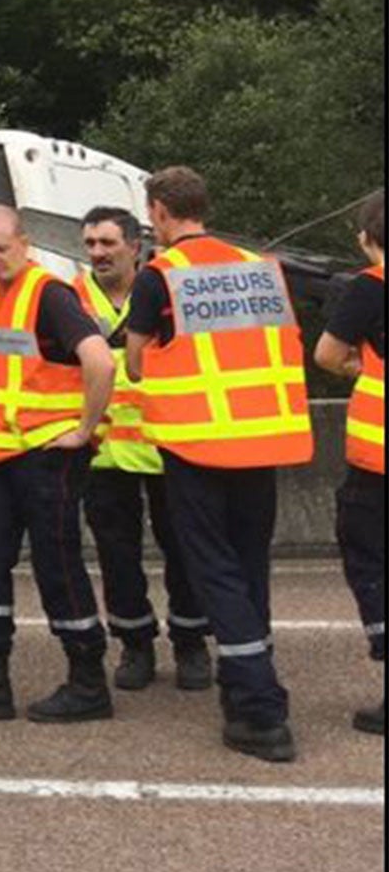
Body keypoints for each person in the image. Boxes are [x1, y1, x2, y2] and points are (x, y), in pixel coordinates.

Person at [126, 166, 313, 764]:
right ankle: (244, 690)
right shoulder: (261, 269)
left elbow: (133, 364)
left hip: (198, 447)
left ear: (158, 211)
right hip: (262, 443)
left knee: (216, 575)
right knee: (248, 568)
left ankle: (260, 708)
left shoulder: (160, 276)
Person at [0, 205, 117, 725]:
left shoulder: (48, 294)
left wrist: (83, 430)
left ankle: (88, 682)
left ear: (24, 244)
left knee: (57, 566)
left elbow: (101, 361)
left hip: (45, 456)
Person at [74, 206, 213, 693]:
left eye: (108, 243)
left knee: (184, 551)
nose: (97, 253)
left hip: (166, 445)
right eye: (90, 243)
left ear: (135, 245)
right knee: (117, 555)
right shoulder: (72, 298)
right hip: (104, 451)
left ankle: (191, 642)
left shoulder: (167, 291)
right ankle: (134, 643)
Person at [311, 188, 384, 737]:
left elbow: (327, 356)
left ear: (365, 237)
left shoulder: (369, 289)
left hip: (377, 463)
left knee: (371, 567)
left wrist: (365, 368)